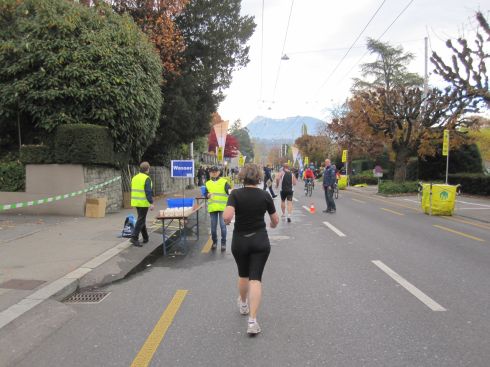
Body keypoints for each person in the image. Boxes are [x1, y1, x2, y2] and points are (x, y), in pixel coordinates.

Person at [223, 164, 279, 335]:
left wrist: (227, 222)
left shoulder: (235, 194)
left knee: (243, 275)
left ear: (242, 177)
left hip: (240, 241)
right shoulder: (264, 195)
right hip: (260, 241)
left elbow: (227, 217)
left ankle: (243, 303)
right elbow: (275, 219)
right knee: (255, 279)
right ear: (259, 178)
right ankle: (253, 321)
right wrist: (272, 224)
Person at [205, 166, 230, 251]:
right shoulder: (207, 183)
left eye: (215, 171)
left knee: (223, 226)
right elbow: (205, 193)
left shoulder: (224, 182)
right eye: (212, 171)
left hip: (222, 208)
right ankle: (214, 242)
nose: (214, 173)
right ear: (210, 173)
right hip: (212, 208)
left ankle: (223, 243)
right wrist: (207, 195)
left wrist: (230, 191)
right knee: (213, 227)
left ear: (219, 172)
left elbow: (229, 191)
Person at [130, 162, 154, 247]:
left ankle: (145, 237)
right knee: (141, 220)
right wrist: (151, 202)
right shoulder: (147, 178)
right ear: (147, 169)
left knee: (141, 219)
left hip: (136, 202)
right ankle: (134, 237)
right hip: (143, 202)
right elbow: (148, 192)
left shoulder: (134, 177)